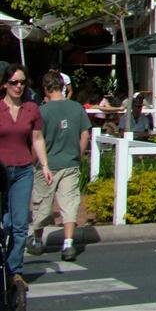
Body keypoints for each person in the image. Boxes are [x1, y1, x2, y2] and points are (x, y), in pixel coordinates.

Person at [0, 63, 53, 296]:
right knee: (4, 224)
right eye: (13, 82)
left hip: (22, 170)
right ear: (4, 84)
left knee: (19, 225)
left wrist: (45, 165)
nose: (18, 86)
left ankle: (14, 271)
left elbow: (38, 138)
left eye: (22, 82)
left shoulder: (32, 109)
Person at [27, 70, 90, 261]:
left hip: (47, 165)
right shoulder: (77, 108)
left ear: (45, 89)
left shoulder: (42, 111)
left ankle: (37, 241)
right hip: (70, 163)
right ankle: (68, 244)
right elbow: (85, 134)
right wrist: (77, 155)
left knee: (42, 204)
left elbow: (36, 140)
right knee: (69, 204)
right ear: (63, 87)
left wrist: (32, 162)